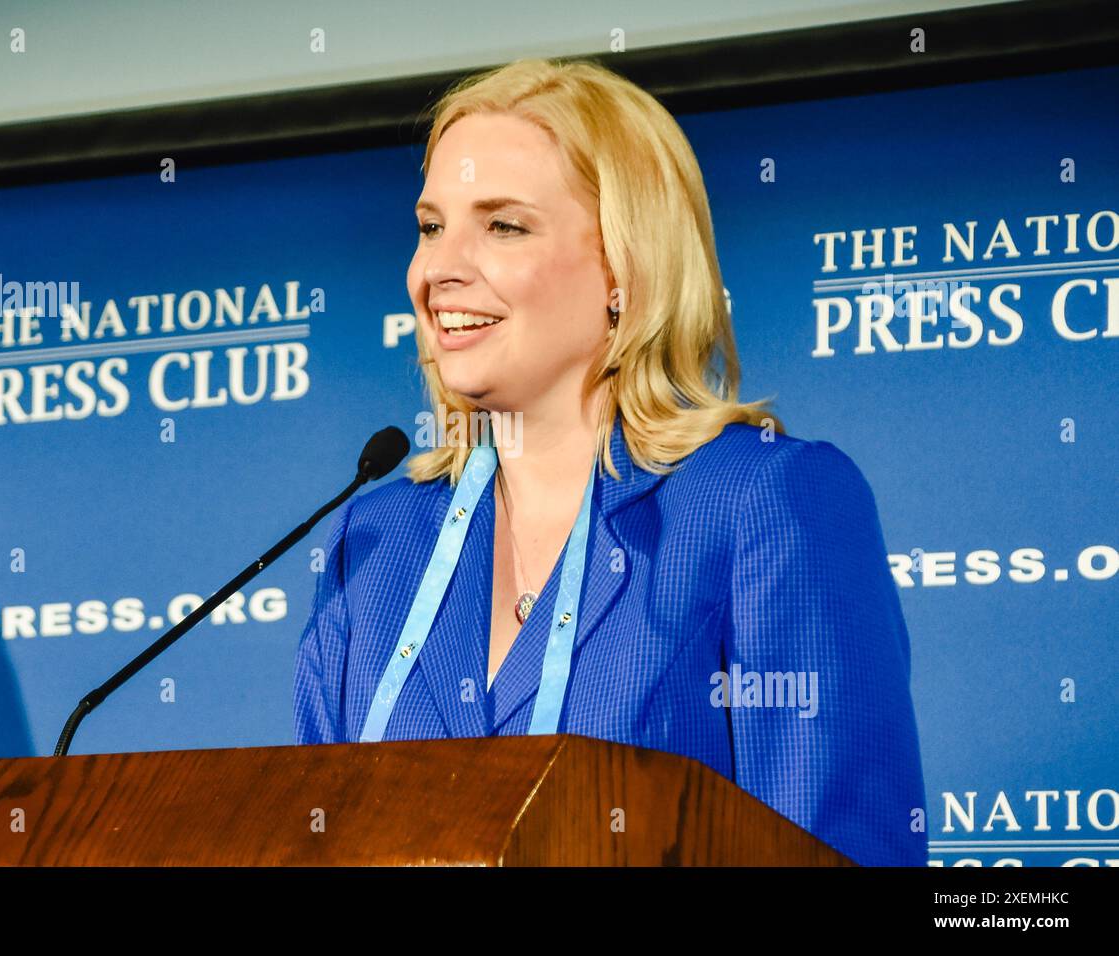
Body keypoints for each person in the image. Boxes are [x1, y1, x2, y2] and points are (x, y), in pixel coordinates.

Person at [294, 57, 927, 867]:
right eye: (429, 226)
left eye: (503, 225)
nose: (438, 268)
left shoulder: (765, 500)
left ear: (624, 270)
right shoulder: (371, 545)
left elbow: (841, 855)